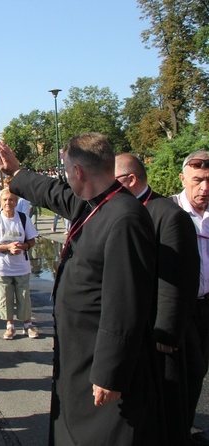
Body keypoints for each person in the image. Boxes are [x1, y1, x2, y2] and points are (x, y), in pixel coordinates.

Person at [0, 134, 161, 444]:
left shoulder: (124, 217)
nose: (66, 176)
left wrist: (110, 372)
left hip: (100, 365)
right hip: (79, 353)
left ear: (79, 172)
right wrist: (16, 173)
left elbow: (124, 304)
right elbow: (52, 193)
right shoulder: (92, 203)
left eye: (67, 169)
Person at [115, 153, 200, 444]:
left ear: (130, 180)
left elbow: (178, 280)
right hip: (140, 324)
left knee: (172, 394)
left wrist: (167, 329)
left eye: (113, 181)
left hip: (163, 328)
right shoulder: (127, 209)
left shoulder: (166, 213)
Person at [173, 151, 209, 444]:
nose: (204, 188)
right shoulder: (167, 210)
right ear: (183, 179)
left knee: (199, 371)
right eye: (197, 180)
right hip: (179, 310)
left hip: (207, 305)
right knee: (180, 374)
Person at [0, 188, 39, 340]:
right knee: (5, 298)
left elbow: (32, 240)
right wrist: (7, 247)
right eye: (5, 200)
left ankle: (28, 325)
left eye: (11, 199)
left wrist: (23, 246)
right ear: (0, 202)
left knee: (24, 296)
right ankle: (10, 326)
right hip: (1, 267)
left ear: (16, 201)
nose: (8, 202)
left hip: (21, 266)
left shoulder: (22, 218)